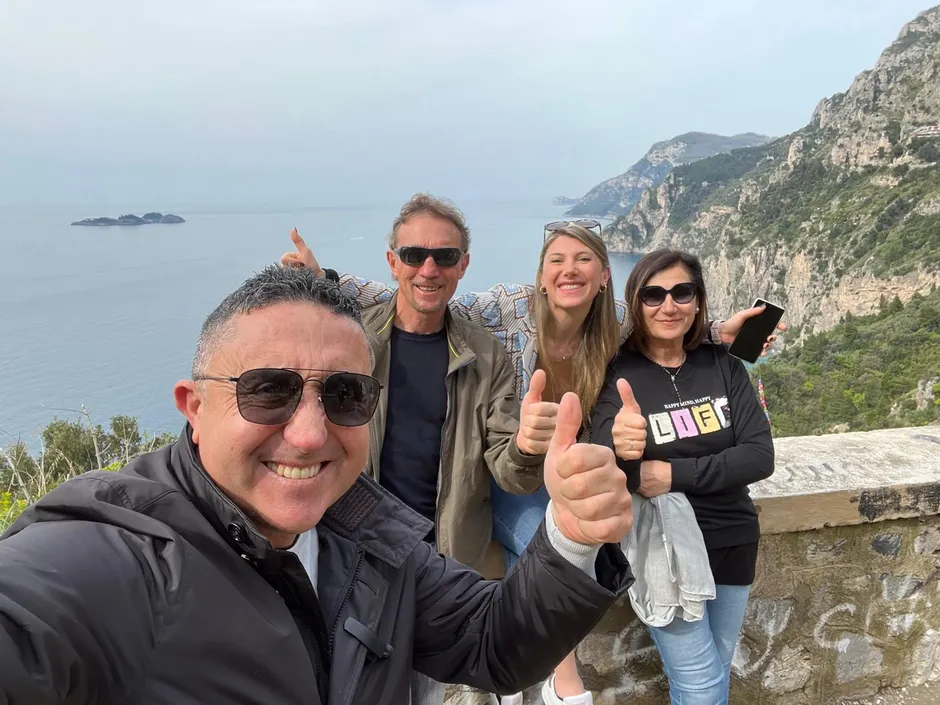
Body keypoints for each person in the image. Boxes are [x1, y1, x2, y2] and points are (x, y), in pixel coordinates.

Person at [0, 265, 637, 705]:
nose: (309, 433)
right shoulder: (126, 553)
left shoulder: (368, 532)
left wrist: (571, 537)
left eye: (345, 395)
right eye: (267, 390)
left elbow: (497, 643)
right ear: (193, 408)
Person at [283, 216, 781, 705]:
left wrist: (717, 332)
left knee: (553, 528)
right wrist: (326, 277)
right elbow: (425, 291)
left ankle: (544, 677)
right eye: (557, 260)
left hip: (560, 472)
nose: (570, 270)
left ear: (603, 276)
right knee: (546, 537)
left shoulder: (613, 326)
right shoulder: (507, 308)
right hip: (506, 470)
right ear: (540, 276)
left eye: (584, 259)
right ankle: (562, 676)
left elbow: (667, 319)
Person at [282, 194, 597, 704]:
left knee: (423, 696)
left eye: (445, 257)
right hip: (355, 554)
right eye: (413, 255)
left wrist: (525, 446)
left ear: (463, 266)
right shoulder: (355, 344)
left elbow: (509, 471)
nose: (428, 269)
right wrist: (307, 285)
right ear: (392, 262)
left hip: (435, 564)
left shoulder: (484, 352)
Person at [591, 249, 776, 705]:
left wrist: (673, 473)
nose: (668, 305)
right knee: (701, 683)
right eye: (653, 295)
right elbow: (614, 468)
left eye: (681, 292)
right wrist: (625, 451)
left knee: (715, 667)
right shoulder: (617, 374)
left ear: (698, 302)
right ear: (636, 303)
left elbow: (759, 456)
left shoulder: (723, 365)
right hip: (664, 548)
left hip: (733, 536)